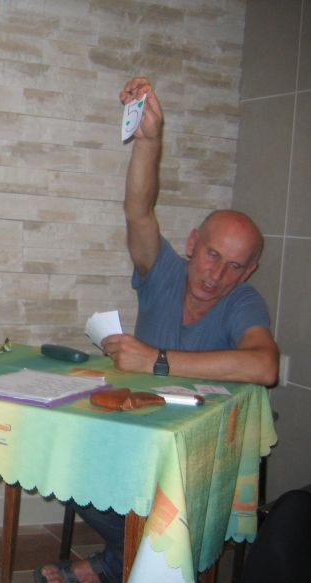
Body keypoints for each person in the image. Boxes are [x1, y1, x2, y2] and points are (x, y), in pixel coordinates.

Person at [34, 76, 279, 583]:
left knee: (156, 495)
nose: (216, 274)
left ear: (248, 272)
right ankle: (128, 561)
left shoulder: (243, 302)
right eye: (211, 254)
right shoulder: (163, 272)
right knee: (59, 457)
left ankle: (113, 565)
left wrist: (157, 360)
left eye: (234, 266)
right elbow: (139, 212)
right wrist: (148, 141)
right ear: (192, 243)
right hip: (137, 437)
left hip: (197, 457)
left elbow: (265, 365)